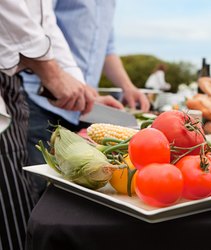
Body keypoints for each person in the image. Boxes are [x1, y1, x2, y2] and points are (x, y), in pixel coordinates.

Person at [22, 0, 151, 199]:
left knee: (82, 191)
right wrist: (57, 79)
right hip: (42, 101)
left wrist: (128, 87)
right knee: (44, 192)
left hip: (84, 102)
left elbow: (107, 47)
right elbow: (38, 25)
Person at [0, 1, 98, 249]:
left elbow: (45, 23)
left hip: (13, 81)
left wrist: (79, 87)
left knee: (19, 208)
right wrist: (51, 73)